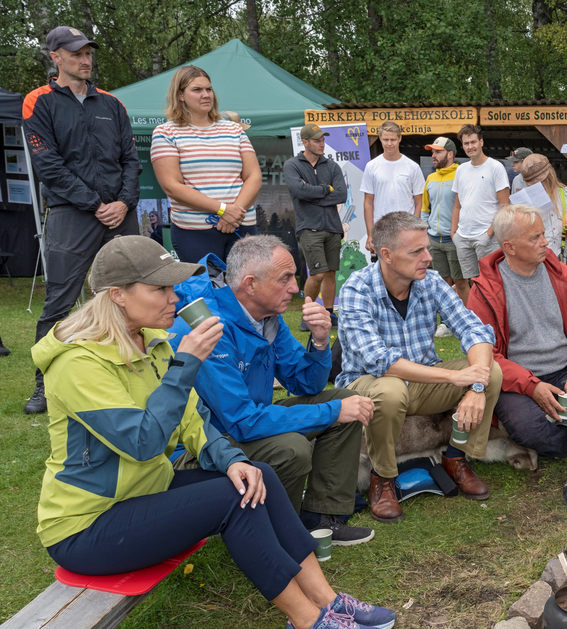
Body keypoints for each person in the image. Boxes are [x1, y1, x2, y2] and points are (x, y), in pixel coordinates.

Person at [34, 235, 393, 629]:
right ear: (118, 296)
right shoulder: (79, 363)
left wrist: (235, 460)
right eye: (161, 289)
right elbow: (143, 444)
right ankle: (306, 627)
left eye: (173, 287)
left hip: (145, 495)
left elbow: (193, 423)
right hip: (87, 527)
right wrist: (185, 366)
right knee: (232, 498)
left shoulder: (150, 341)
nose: (174, 298)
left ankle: (327, 600)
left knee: (260, 477)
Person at [168, 235, 377, 545]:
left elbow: (306, 383)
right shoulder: (207, 326)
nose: (295, 288)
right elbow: (241, 421)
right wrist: (332, 411)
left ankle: (320, 517)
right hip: (204, 446)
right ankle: (277, 533)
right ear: (251, 285)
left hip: (246, 424)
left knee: (347, 400)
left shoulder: (267, 317)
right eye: (286, 279)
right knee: (293, 446)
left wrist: (320, 342)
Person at [337, 212, 503, 522]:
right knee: (390, 389)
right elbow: (379, 361)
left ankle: (455, 457)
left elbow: (474, 330)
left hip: (423, 383)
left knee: (491, 371)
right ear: (385, 255)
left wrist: (477, 386)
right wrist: (455, 376)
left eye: (426, 248)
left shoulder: (432, 281)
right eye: (417, 251)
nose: (428, 257)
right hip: (368, 382)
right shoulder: (356, 289)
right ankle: (382, 478)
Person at [468, 204, 567, 517]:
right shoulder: (484, 290)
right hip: (517, 381)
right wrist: (532, 386)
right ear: (509, 247)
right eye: (535, 237)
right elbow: (488, 355)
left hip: (564, 370)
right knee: (528, 429)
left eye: (543, 234)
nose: (546, 242)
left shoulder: (562, 276)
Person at [23, 26, 141, 414]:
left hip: (120, 214)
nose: (85, 59)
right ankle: (45, 384)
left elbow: (130, 161)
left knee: (133, 295)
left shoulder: (112, 103)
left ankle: (134, 370)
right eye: (76, 53)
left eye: (88, 52)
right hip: (71, 214)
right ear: (55, 56)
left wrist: (122, 203)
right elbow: (49, 167)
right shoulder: (38, 101)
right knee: (59, 301)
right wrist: (95, 204)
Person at [150, 65, 262, 264]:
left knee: (247, 292)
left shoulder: (234, 129)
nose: (206, 95)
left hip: (241, 224)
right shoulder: (165, 133)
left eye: (208, 89)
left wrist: (234, 212)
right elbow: (172, 186)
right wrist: (222, 210)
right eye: (197, 90)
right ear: (180, 95)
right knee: (206, 292)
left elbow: (253, 176)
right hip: (194, 232)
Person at [283, 123, 348, 322]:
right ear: (305, 142)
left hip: (333, 227)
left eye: (323, 140)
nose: (322, 144)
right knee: (317, 274)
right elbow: (299, 191)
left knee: (330, 273)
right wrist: (326, 189)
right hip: (309, 228)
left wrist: (313, 192)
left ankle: (328, 314)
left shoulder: (332, 165)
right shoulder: (292, 165)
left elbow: (342, 195)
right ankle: (308, 314)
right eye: (317, 140)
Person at [451, 124, 510, 281]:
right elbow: (457, 204)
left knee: (493, 282)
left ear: (481, 142)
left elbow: (505, 205)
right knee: (473, 283)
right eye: (466, 143)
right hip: (462, 236)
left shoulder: (496, 167)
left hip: (487, 237)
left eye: (473, 142)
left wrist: (489, 234)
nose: (470, 147)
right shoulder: (461, 169)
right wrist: (454, 233)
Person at [362, 121, 424, 256]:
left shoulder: (412, 167)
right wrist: (370, 233)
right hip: (381, 229)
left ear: (399, 138)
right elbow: (368, 203)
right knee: (383, 271)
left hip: (406, 230)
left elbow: (419, 202)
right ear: (380, 139)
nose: (389, 143)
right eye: (385, 139)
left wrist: (414, 229)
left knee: (407, 270)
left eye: (393, 139)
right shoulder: (371, 166)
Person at [422, 136, 469, 310]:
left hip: (454, 240)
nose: (433, 155)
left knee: (461, 282)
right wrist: (426, 233)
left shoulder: (461, 175)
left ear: (450, 154)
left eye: (438, 152)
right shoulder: (430, 178)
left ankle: (467, 318)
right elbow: (425, 209)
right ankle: (446, 322)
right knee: (442, 284)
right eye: (432, 152)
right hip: (434, 240)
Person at [514, 154, 567, 262]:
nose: (538, 186)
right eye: (533, 183)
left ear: (550, 175)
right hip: (530, 261)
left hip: (558, 260)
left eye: (541, 181)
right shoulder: (522, 200)